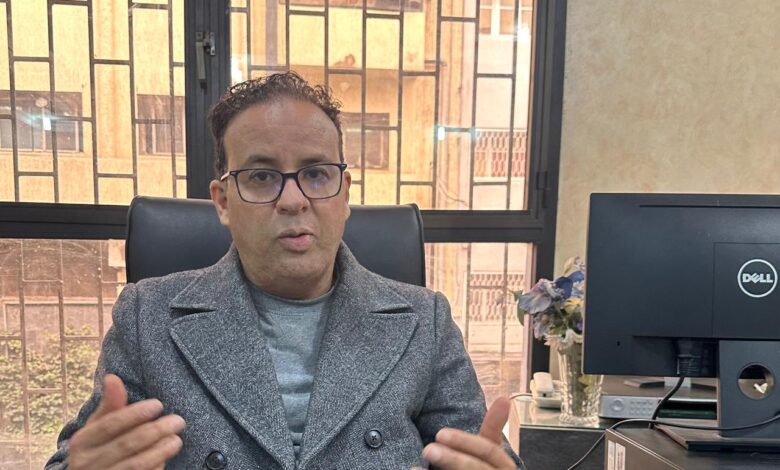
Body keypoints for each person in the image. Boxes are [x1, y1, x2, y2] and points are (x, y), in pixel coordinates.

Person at [46, 72, 524, 470]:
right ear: (223, 201)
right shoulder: (147, 316)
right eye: (261, 177)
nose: (293, 200)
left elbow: (480, 453)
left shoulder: (424, 320)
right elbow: (80, 456)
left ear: (344, 193)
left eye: (316, 174)